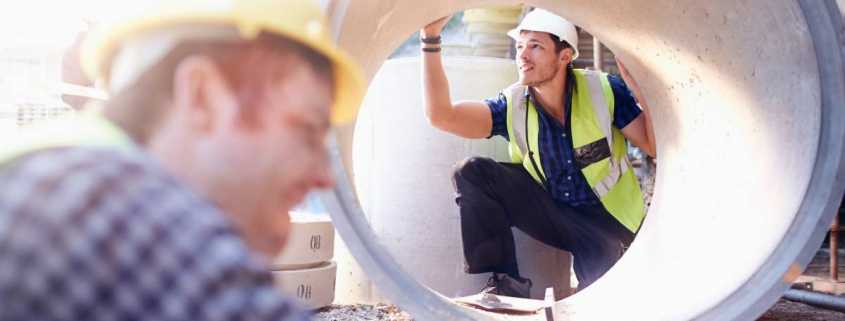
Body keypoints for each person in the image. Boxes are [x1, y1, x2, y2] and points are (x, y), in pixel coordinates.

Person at [0, 0, 364, 320]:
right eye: (307, 131)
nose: (324, 176)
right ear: (202, 95)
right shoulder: (94, 201)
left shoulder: (50, 174)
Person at [420, 8, 656, 297]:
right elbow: (441, 116)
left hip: (606, 227)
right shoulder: (513, 104)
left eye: (535, 46)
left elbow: (652, 145)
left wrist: (642, 88)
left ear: (565, 55)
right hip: (553, 212)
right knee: (473, 172)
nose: (523, 55)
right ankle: (507, 283)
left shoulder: (604, 90)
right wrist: (430, 40)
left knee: (600, 300)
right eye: (520, 46)